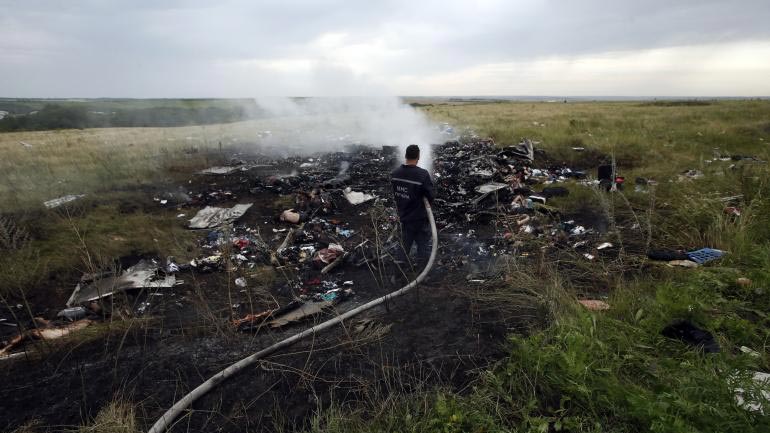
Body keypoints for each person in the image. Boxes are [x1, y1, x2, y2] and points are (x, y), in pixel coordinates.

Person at [391, 144, 435, 264]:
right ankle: (422, 267)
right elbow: (430, 195)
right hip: (419, 218)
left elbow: (396, 193)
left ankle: (399, 268)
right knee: (423, 244)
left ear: (405, 155)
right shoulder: (422, 174)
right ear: (418, 157)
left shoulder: (395, 173)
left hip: (404, 216)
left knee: (404, 243)